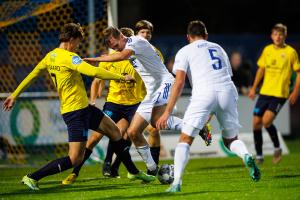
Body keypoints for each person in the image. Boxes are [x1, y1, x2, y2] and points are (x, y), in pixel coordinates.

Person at [2, 23, 155, 190]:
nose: (77, 46)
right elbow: (94, 72)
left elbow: (32, 75)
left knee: (115, 132)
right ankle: (32, 177)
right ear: (72, 39)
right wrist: (121, 77)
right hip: (75, 112)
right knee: (74, 159)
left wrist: (14, 94)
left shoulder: (50, 56)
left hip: (84, 109)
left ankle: (133, 171)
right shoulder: (70, 57)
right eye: (78, 42)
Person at [156, 20, 261, 193]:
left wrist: (167, 112)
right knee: (231, 140)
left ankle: (176, 184)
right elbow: (226, 75)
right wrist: (210, 112)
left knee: (185, 139)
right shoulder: (218, 48)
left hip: (204, 92)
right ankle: (246, 156)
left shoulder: (184, 50)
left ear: (188, 36)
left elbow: (179, 82)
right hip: (228, 91)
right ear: (206, 35)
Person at [83, 26, 185, 176]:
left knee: (156, 123)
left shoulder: (136, 42)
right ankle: (152, 170)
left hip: (165, 83)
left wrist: (94, 59)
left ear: (121, 36)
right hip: (150, 92)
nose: (116, 49)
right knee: (133, 132)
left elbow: (122, 56)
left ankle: (196, 125)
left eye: (116, 45)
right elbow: (118, 58)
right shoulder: (125, 49)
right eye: (113, 48)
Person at [62, 27, 147, 184]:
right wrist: (93, 100)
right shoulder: (111, 59)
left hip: (134, 103)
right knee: (95, 137)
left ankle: (112, 165)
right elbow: (97, 80)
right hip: (114, 103)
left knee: (123, 133)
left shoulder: (140, 59)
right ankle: (75, 172)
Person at [248, 23, 300, 164]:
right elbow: (261, 70)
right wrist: (253, 88)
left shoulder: (290, 52)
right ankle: (259, 156)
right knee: (256, 123)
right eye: (275, 34)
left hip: (280, 94)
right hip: (265, 92)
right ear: (272, 36)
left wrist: (295, 91)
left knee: (266, 121)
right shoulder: (267, 50)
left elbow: (298, 72)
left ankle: (277, 148)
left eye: (280, 34)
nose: (278, 37)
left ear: (285, 36)